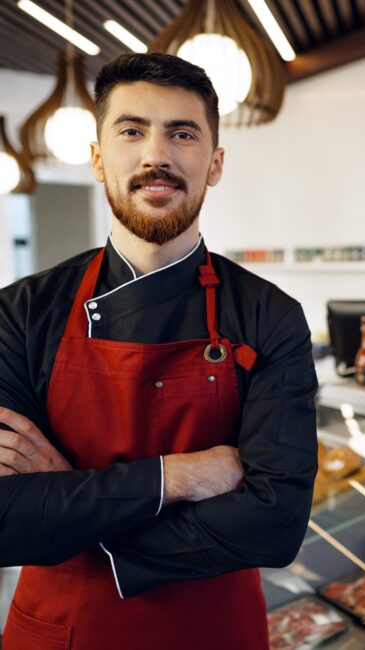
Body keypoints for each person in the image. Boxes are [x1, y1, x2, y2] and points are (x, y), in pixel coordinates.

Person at [0, 53, 318, 649]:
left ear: (215, 162)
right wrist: (182, 475)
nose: (156, 155)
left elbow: (275, 525)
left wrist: (71, 498)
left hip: (215, 631)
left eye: (182, 132)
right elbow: (5, 521)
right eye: (131, 131)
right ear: (98, 157)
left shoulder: (270, 316)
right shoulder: (20, 313)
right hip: (63, 629)